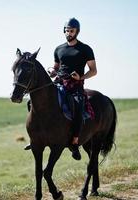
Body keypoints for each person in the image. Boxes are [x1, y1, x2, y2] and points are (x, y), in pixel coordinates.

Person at [25, 17, 97, 161]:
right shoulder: (59, 49)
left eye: (72, 31)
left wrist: (80, 77)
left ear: (77, 32)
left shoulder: (85, 49)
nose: (69, 33)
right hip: (59, 83)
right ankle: (36, 137)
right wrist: (52, 71)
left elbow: (93, 70)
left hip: (75, 85)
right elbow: (56, 67)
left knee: (77, 105)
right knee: (32, 102)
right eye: (67, 31)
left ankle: (75, 141)